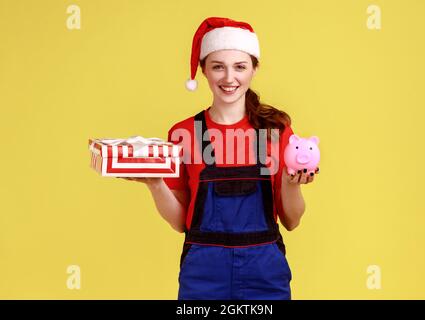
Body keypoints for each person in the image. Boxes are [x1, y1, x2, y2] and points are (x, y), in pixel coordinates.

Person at [120, 17, 319, 300]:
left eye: (240, 67)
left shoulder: (275, 132)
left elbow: (292, 220)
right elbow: (181, 223)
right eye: (218, 67)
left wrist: (292, 183)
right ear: (204, 70)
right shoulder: (184, 133)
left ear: (254, 69)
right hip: (203, 277)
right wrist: (155, 183)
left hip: (265, 276)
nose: (229, 78)